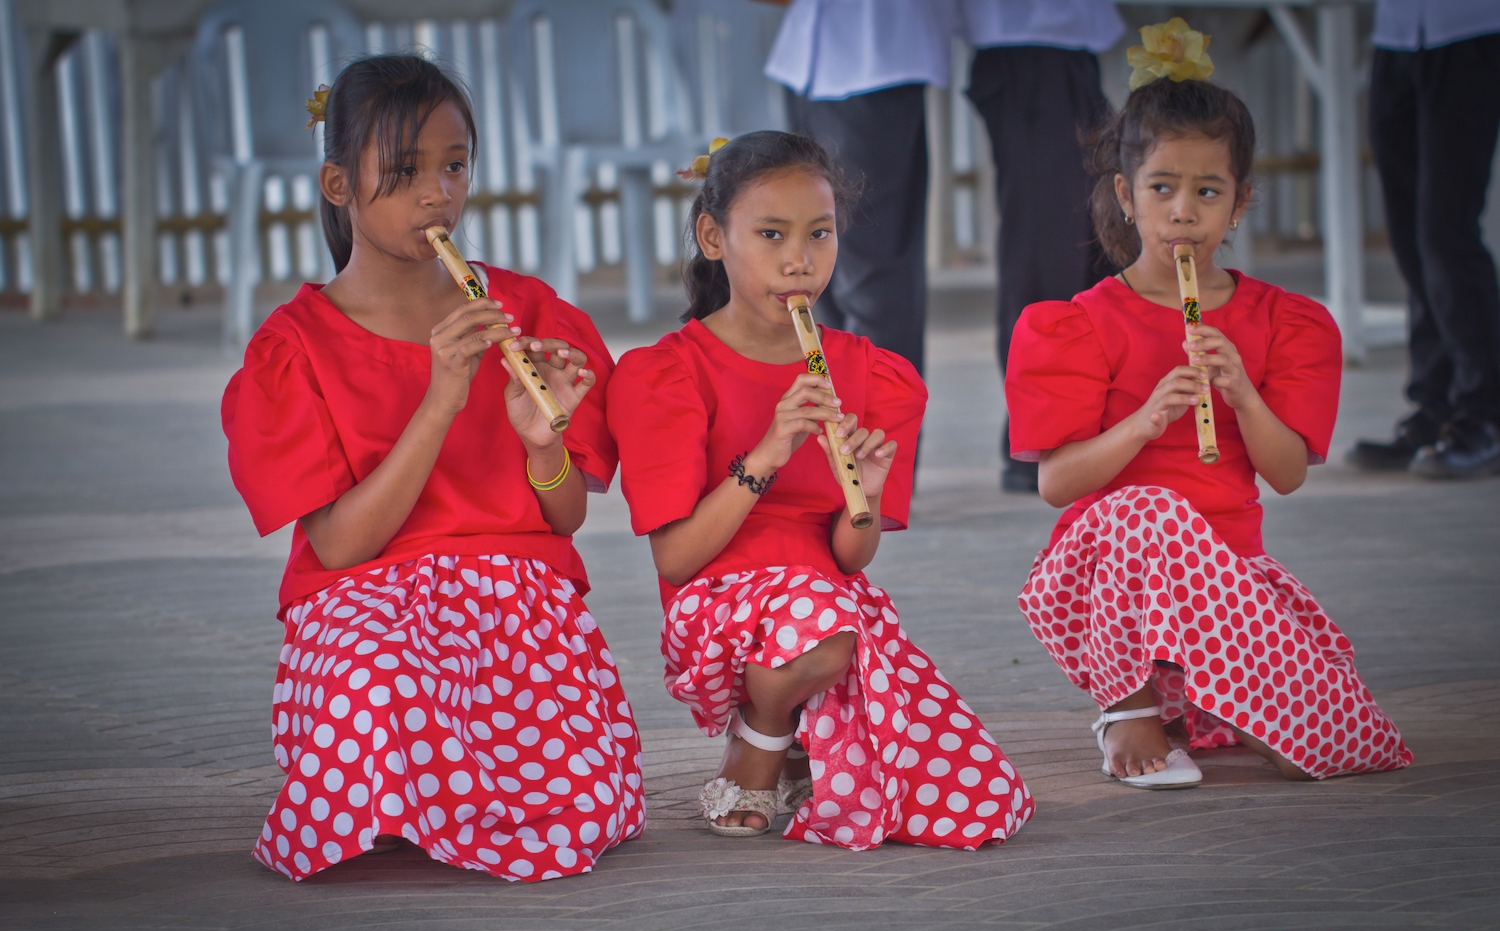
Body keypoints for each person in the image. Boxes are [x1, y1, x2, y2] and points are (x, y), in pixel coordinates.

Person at [221, 55, 644, 882]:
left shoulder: (529, 311)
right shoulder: (295, 346)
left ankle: (427, 798)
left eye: (455, 166)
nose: (438, 195)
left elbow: (565, 519)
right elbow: (339, 548)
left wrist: (540, 438)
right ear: (339, 185)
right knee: (377, 678)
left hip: (518, 592)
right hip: (365, 602)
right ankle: (412, 794)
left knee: (555, 744)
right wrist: (441, 397)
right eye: (405, 172)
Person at [1006, 22, 1412, 789]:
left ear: (1241, 202)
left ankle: (1198, 702)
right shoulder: (1077, 323)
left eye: (1208, 191)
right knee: (1147, 506)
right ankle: (1127, 707)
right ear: (1127, 196)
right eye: (1162, 188)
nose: (1183, 211)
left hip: (1227, 576)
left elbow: (1286, 473)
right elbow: (1056, 483)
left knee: (1345, 740)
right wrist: (1147, 420)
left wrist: (1243, 394)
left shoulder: (1286, 320)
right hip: (1104, 584)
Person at [606, 131, 1033, 848]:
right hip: (716, 604)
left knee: (978, 799)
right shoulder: (667, 373)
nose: (799, 260)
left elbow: (851, 558)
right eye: (770, 234)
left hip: (827, 600)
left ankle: (807, 737)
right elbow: (676, 558)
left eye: (819, 234)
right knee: (825, 622)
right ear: (714, 237)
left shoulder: (875, 374)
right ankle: (761, 740)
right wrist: (769, 452)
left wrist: (861, 490)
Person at [958, 0, 1124, 493]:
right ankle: (1037, 436)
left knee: (1094, 240)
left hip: (1066, 43)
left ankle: (1072, 425)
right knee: (1046, 249)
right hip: (1026, 46)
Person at [764, 0, 960, 377]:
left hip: (873, 57)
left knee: (872, 277)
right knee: (820, 271)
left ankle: (882, 426)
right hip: (808, 55)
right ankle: (839, 415)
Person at [1348, 1, 1500, 478]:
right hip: (1394, 36)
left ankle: (1485, 416)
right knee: (1411, 238)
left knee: (1445, 234)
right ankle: (1435, 408)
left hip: (1467, 31)